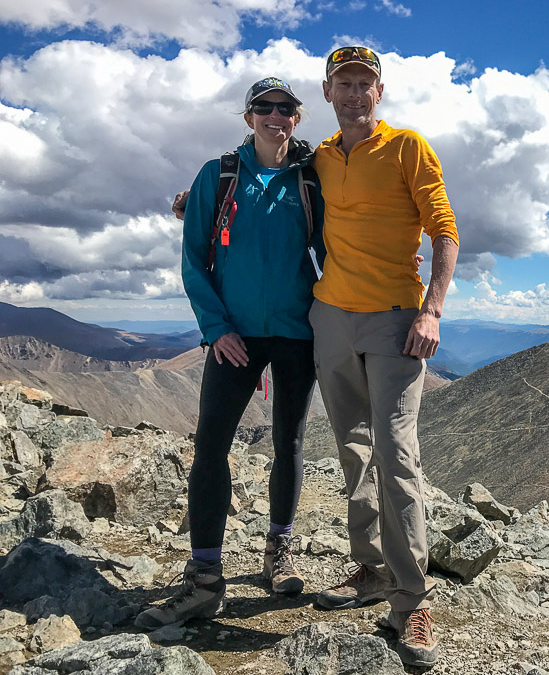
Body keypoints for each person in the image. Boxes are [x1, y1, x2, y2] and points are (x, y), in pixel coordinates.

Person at [137, 77, 323, 629]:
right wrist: (216, 329)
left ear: (297, 117)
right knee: (211, 446)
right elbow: (194, 258)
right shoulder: (218, 176)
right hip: (232, 337)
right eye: (263, 108)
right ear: (248, 119)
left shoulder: (313, 176)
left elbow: (355, 224)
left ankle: (278, 551)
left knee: (288, 441)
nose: (274, 116)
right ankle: (205, 578)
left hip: (297, 332)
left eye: (285, 108)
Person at [308, 46, 458, 669]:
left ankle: (411, 598)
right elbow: (255, 173)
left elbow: (444, 229)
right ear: (327, 91)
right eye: (343, 82)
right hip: (330, 318)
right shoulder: (316, 156)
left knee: (397, 454)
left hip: (397, 321)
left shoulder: (407, 147)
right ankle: (369, 569)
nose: (353, 93)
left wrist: (432, 309)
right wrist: (198, 195)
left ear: (380, 92)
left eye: (364, 83)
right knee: (354, 446)